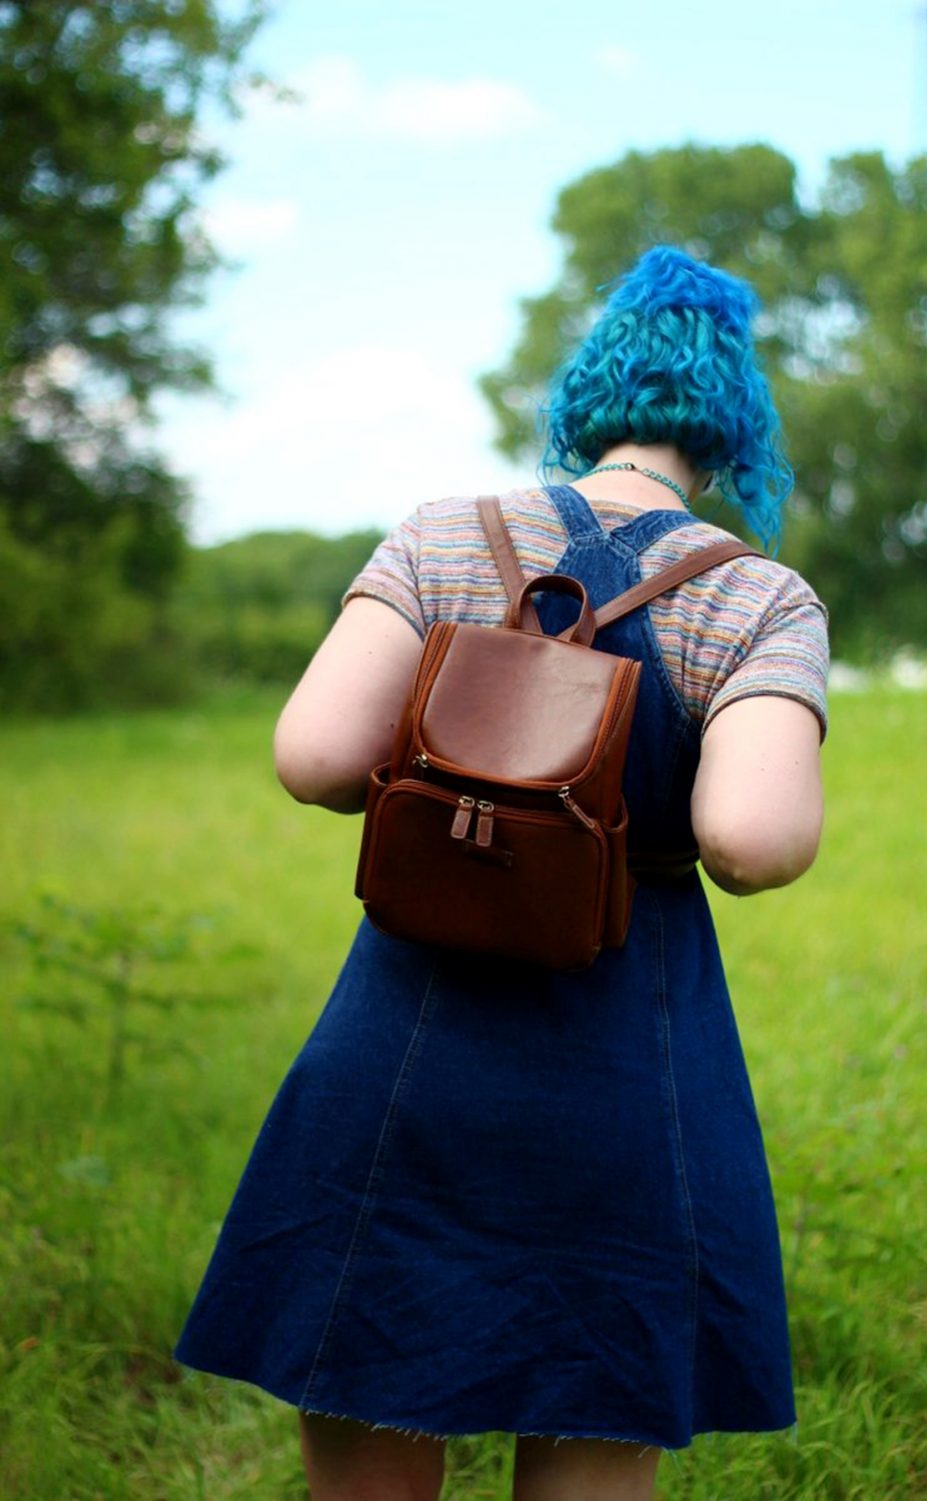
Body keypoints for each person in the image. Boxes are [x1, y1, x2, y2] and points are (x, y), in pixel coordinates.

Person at [172, 245, 829, 1501]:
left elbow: (313, 757)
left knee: (365, 1370)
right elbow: (751, 839)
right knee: (591, 1390)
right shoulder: (757, 598)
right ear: (734, 421)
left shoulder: (440, 537)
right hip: (625, 1070)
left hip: (404, 1047)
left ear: (584, 398)